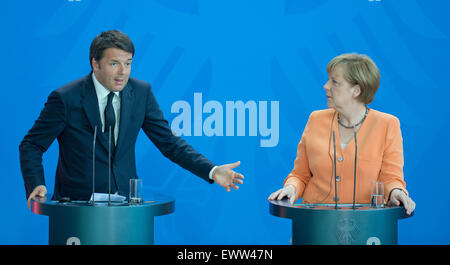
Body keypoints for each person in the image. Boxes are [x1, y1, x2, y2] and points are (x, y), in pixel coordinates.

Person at [20, 30, 244, 209]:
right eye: (114, 63)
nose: (122, 72)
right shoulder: (66, 98)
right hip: (77, 209)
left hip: (127, 209)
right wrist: (36, 183)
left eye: (128, 63)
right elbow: (31, 144)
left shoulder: (140, 92)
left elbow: (170, 143)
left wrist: (213, 171)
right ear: (95, 63)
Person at [268, 53, 415, 215]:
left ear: (356, 90)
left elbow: (391, 178)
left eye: (334, 82)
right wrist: (291, 187)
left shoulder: (387, 125)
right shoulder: (315, 119)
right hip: (314, 224)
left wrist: (396, 191)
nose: (325, 86)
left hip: (365, 227)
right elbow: (300, 175)